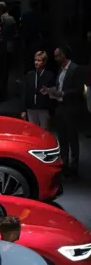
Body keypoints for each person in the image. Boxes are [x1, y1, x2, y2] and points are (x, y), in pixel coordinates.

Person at [42, 46, 83, 176]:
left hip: (71, 108)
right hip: (60, 107)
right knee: (62, 137)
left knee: (72, 138)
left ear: (63, 55)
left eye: (57, 56)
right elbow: (60, 86)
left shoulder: (75, 69)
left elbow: (78, 89)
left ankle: (74, 166)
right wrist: (50, 90)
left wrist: (63, 93)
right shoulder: (60, 70)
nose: (55, 59)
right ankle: (64, 163)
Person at [20, 51, 54, 129]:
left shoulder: (49, 75)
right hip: (31, 108)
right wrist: (23, 110)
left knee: (44, 131)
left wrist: (51, 111)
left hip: (44, 109)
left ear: (44, 62)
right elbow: (24, 93)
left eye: (39, 60)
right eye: (35, 60)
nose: (36, 62)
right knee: (33, 130)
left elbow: (52, 94)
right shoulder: (30, 75)